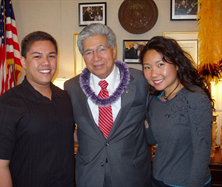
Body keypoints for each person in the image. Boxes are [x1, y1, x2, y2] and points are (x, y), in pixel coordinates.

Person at [0, 31, 75, 187]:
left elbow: (69, 135)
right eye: (37, 56)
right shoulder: (7, 105)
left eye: (51, 56)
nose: (46, 62)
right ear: (23, 62)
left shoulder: (64, 97)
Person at [64, 23, 151, 187]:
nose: (96, 57)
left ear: (114, 50)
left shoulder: (140, 81)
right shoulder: (72, 88)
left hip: (132, 175)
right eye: (89, 52)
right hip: (90, 176)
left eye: (102, 49)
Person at [140, 36, 213, 187]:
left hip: (187, 182)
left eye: (160, 64)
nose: (153, 73)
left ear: (177, 65)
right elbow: (151, 138)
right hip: (158, 179)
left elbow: (202, 153)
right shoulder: (155, 99)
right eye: (147, 67)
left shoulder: (195, 98)